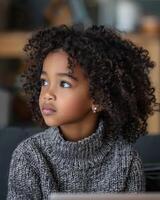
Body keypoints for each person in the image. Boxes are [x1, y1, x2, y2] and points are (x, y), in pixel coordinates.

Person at [7, 24, 156, 199]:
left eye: (64, 84)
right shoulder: (29, 156)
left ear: (99, 98)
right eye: (44, 82)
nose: (47, 94)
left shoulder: (126, 161)